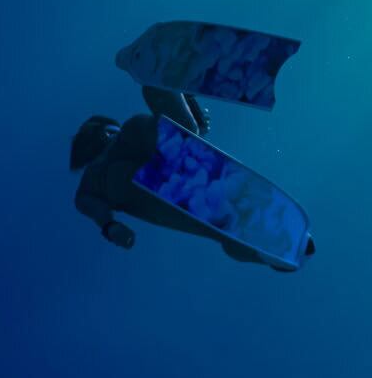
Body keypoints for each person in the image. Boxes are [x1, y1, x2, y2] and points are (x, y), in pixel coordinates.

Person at [70, 110, 315, 270]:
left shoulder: (91, 184)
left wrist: (110, 227)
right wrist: (110, 227)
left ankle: (255, 248)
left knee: (213, 225)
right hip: (138, 183)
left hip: (134, 185)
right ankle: (256, 247)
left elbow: (92, 207)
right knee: (214, 225)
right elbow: (92, 207)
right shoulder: (91, 180)